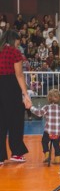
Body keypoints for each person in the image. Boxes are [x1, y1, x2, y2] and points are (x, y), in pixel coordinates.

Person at [0, 30, 32, 165]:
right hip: (12, 88)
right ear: (14, 40)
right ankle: (17, 153)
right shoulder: (14, 52)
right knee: (16, 121)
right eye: (18, 41)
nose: (19, 43)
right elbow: (19, 75)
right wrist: (26, 95)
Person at [30, 89, 60, 164]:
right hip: (58, 133)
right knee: (56, 145)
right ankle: (57, 158)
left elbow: (39, 113)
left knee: (44, 142)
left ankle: (47, 154)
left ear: (49, 98)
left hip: (48, 132)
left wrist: (31, 107)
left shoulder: (47, 107)